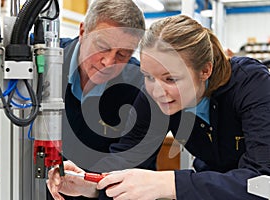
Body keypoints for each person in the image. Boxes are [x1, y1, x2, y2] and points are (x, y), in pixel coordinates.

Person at [49, 14, 270, 199]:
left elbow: (263, 183)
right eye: (148, 76)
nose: (157, 91)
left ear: (205, 71)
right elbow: (128, 158)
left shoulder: (252, 86)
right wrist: (91, 183)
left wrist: (170, 183)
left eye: (170, 79)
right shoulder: (154, 95)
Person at [47, 0, 164, 199]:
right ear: (83, 31)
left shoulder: (140, 87)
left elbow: (131, 167)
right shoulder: (44, 60)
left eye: (122, 54)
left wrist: (89, 186)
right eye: (102, 47)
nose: (109, 62)